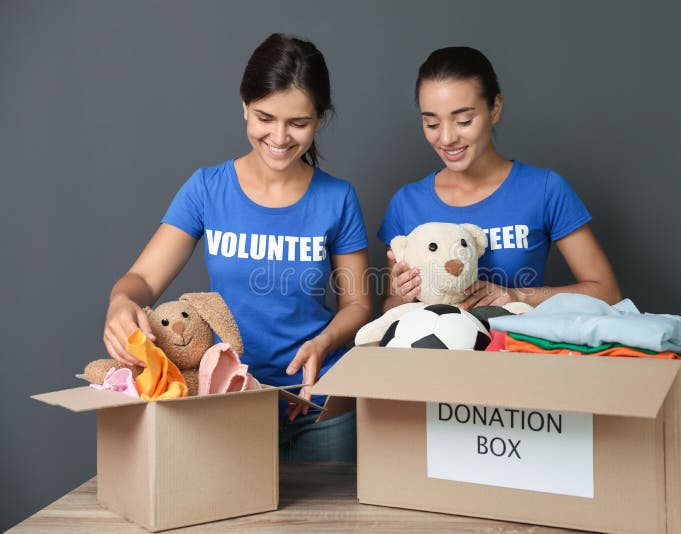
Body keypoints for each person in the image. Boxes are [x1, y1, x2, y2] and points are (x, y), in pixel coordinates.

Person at [102, 34, 371, 461]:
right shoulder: (207, 189)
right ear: (245, 105)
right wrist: (120, 302)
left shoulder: (337, 198)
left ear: (319, 119)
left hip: (320, 403)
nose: (279, 137)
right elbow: (143, 279)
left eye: (298, 123)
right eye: (265, 117)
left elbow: (358, 304)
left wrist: (323, 343)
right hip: (230, 400)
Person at [379, 47, 620, 311]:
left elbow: (607, 292)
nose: (446, 138)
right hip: (435, 351)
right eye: (432, 124)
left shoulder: (545, 189)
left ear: (495, 108)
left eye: (463, 120)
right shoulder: (406, 202)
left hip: (516, 349)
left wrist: (518, 296)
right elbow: (390, 307)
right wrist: (403, 295)